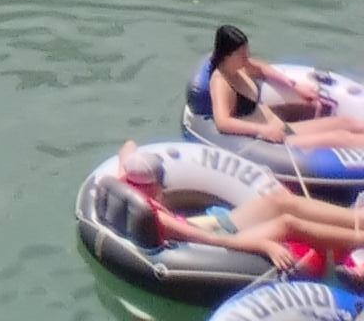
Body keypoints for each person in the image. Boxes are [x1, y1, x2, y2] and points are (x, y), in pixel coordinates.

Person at [118, 151, 364, 282]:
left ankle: (357, 219)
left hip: (217, 223)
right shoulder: (160, 219)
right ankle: (358, 239)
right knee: (287, 224)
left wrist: (131, 165)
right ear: (151, 185)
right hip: (219, 240)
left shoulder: (127, 188)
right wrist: (266, 245)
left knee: (280, 201)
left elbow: (127, 148)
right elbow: (214, 241)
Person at [204, 32, 364, 158]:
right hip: (272, 141)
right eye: (242, 54)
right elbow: (223, 122)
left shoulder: (240, 67)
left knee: (345, 122)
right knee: (341, 137)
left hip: (282, 128)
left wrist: (296, 87)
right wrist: (263, 130)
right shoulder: (220, 82)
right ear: (227, 55)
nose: (247, 57)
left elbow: (263, 69)